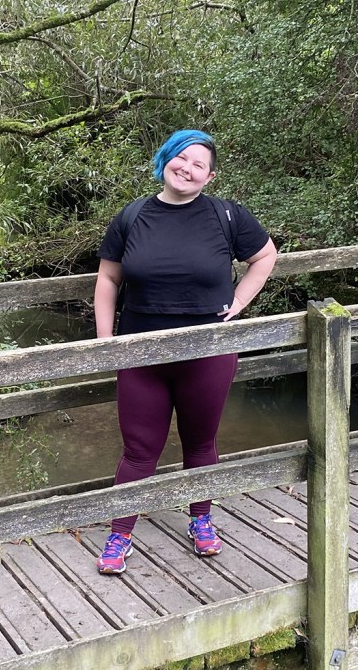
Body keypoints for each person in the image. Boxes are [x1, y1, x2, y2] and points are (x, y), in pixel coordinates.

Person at [93, 129, 277, 574]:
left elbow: (266, 256)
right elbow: (107, 279)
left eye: (199, 164)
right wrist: (105, 342)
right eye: (181, 158)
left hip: (208, 352)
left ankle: (201, 520)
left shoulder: (226, 215)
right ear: (166, 159)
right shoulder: (132, 216)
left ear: (209, 176)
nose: (187, 168)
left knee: (201, 442)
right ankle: (120, 534)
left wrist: (237, 304)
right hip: (141, 353)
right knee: (139, 450)